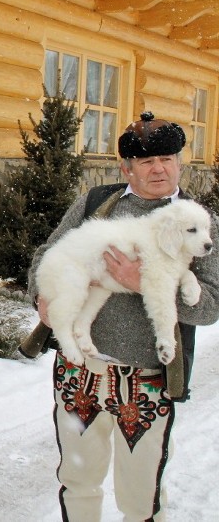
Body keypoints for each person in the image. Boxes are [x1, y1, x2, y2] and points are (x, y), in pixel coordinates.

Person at [25, 111, 219, 521]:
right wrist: (41, 295)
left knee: (140, 495)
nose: (159, 169)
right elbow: (48, 254)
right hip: (81, 373)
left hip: (146, 379)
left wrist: (139, 281)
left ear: (180, 163)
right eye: (147, 162)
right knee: (78, 481)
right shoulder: (98, 204)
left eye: (167, 159)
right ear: (126, 168)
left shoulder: (199, 223)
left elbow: (211, 305)